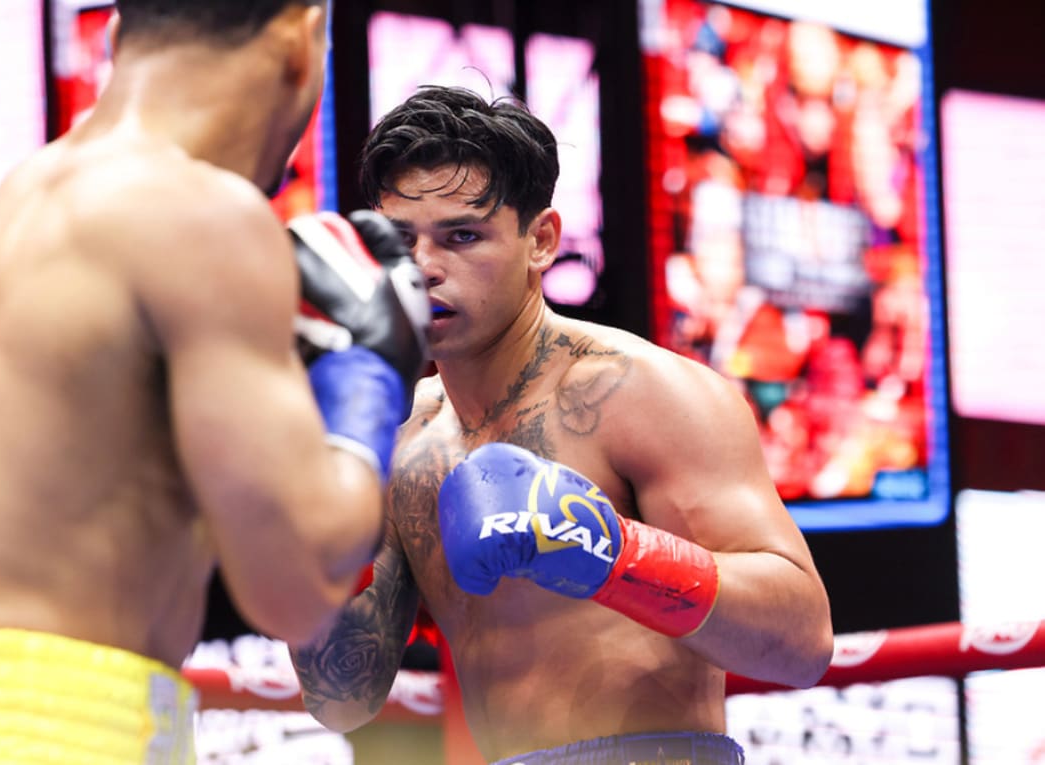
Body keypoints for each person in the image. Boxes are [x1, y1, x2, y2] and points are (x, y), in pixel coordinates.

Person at [0, 2, 429, 763]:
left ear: (118, 37)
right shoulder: (200, 214)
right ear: (300, 43)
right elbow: (295, 587)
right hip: (57, 735)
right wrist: (370, 372)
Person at [290, 85, 835, 765]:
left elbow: (803, 640)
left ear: (541, 241)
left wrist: (607, 551)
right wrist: (327, 494)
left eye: (463, 236)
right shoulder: (404, 438)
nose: (424, 268)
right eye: (401, 241)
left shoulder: (641, 393)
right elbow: (341, 696)